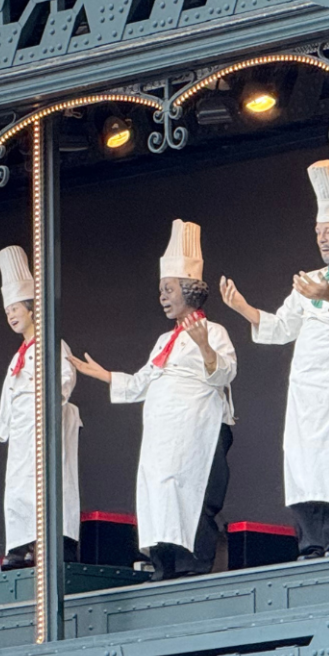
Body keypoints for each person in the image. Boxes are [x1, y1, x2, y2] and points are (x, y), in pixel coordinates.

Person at [219, 160, 329, 559]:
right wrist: (242, 307)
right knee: (305, 464)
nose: (323, 239)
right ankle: (311, 542)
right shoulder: (309, 280)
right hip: (306, 393)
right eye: (318, 232)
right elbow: (281, 327)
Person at [70, 220, 237, 580]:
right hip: (162, 436)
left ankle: (194, 564)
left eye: (168, 289)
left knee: (192, 495)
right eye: (161, 290)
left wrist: (205, 347)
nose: (162, 296)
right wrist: (103, 375)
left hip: (197, 429)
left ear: (189, 290)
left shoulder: (215, 331)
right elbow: (141, 382)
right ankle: (164, 564)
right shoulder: (163, 341)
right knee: (158, 495)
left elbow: (225, 374)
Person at [0, 245, 81, 568]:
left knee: (46, 484)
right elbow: (9, 403)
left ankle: (51, 543)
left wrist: (47, 405)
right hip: (22, 431)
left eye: (15, 308)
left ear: (32, 309)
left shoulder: (52, 343)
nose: (11, 315)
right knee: (18, 489)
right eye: (7, 311)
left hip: (45, 425)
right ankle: (21, 546)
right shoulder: (18, 357)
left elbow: (65, 378)